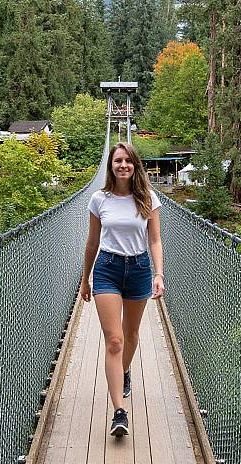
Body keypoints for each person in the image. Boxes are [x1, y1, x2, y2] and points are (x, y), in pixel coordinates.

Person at [80, 142, 165, 437]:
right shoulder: (98, 199)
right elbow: (92, 243)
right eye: (118, 160)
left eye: (128, 161)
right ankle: (119, 411)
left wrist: (159, 274)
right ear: (111, 165)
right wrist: (84, 279)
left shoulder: (148, 199)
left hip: (140, 269)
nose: (123, 165)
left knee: (130, 335)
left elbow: (155, 240)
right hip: (107, 269)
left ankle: (125, 371)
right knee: (114, 340)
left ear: (135, 165)